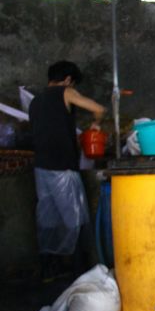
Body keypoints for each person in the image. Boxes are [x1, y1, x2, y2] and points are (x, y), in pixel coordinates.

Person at [29, 60, 106, 281]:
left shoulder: (36, 101)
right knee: (76, 217)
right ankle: (80, 273)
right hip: (62, 167)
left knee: (48, 217)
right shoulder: (66, 91)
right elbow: (99, 109)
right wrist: (96, 125)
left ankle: (48, 271)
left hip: (41, 168)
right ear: (68, 80)